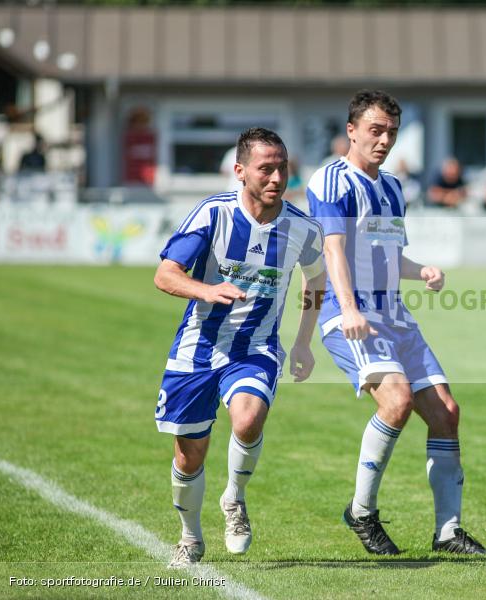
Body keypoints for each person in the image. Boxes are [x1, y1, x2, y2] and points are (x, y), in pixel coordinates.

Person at [307, 90, 486, 556]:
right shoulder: (332, 180)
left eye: (391, 132)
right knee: (397, 400)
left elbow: (388, 256)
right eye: (375, 130)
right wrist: (348, 309)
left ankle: (448, 532)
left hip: (396, 317)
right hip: (352, 316)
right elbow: (333, 250)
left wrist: (421, 268)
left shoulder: (391, 188)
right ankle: (362, 512)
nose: (385, 140)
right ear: (351, 131)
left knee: (447, 413)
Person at [153, 127, 326, 568]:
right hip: (197, 349)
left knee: (248, 419)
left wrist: (304, 341)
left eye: (282, 168)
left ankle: (235, 498)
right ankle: (190, 538)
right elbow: (166, 274)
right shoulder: (212, 215)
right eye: (265, 168)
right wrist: (205, 291)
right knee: (189, 457)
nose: (275, 177)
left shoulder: (302, 229)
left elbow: (317, 279)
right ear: (240, 171)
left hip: (256, 347)